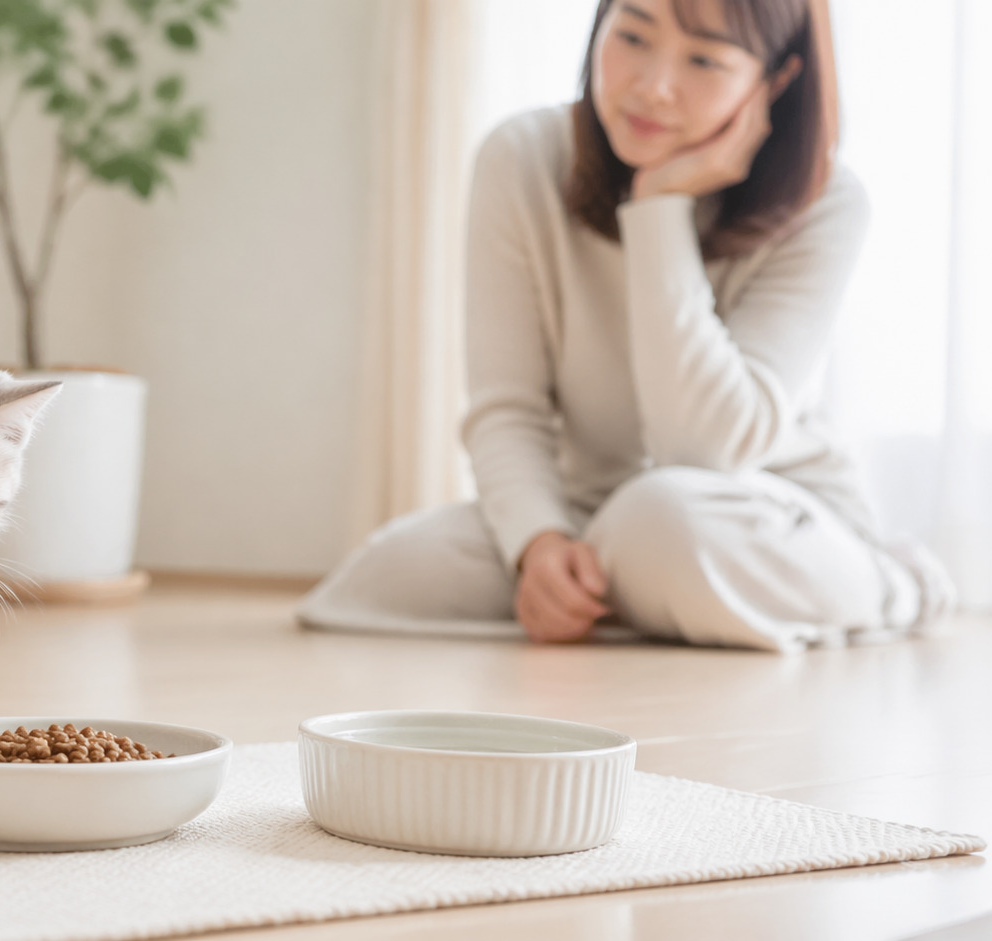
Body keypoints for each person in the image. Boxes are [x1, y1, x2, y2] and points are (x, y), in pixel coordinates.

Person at [298, 0, 952, 653]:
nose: (652, 85)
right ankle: (655, 601)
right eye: (633, 35)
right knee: (389, 573)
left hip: (748, 506)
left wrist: (660, 205)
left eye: (704, 59)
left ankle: (893, 583)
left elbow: (702, 448)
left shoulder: (828, 204)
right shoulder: (522, 158)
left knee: (660, 520)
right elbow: (507, 409)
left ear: (775, 81)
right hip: (590, 512)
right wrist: (538, 546)